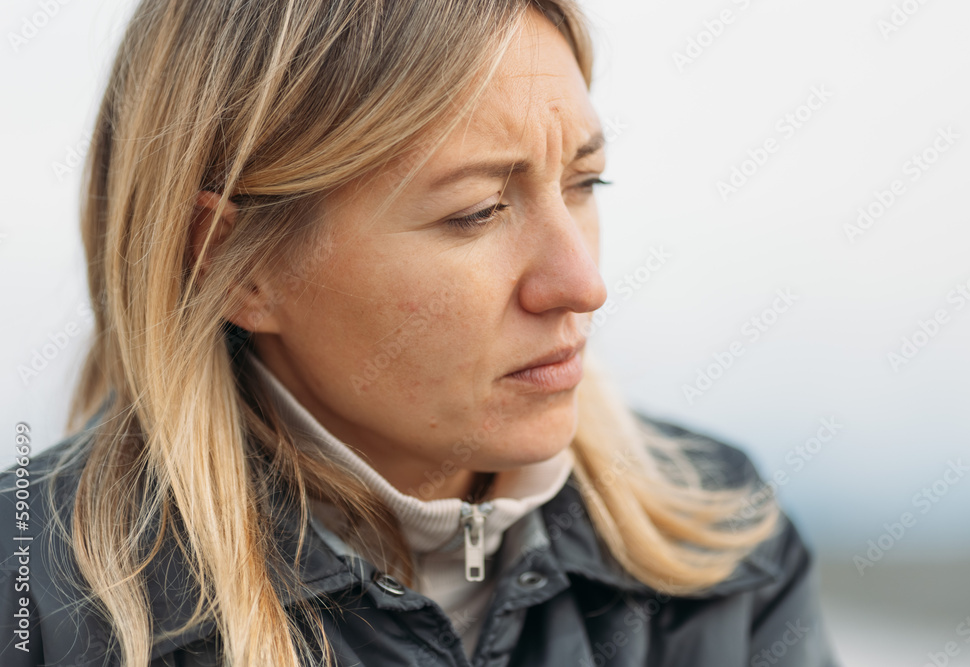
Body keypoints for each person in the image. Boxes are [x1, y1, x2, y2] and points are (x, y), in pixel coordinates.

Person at [0, 0, 839, 665]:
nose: (582, 282)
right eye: (478, 210)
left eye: (585, 182)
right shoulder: (29, 601)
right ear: (233, 262)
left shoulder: (726, 543)